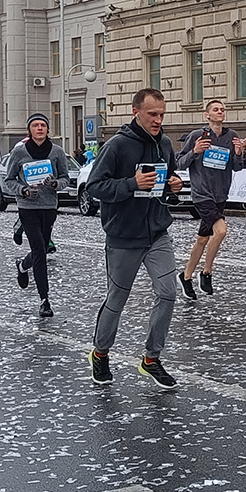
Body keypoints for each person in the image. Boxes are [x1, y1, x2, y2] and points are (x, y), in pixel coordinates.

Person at [82, 88, 186, 389]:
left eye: (162, 114)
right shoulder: (116, 145)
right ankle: (100, 353)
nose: (158, 120)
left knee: (168, 293)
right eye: (152, 114)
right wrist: (131, 183)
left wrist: (174, 185)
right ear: (136, 112)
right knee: (117, 299)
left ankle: (151, 359)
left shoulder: (164, 143)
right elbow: (94, 187)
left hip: (157, 233)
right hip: (124, 236)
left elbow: (166, 182)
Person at [4, 113, 69, 320]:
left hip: (49, 206)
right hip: (28, 207)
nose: (39, 128)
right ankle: (44, 300)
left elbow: (65, 178)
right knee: (40, 249)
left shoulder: (57, 152)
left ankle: (23, 265)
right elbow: (9, 180)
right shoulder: (19, 152)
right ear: (29, 130)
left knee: (41, 249)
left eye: (43, 125)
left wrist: (55, 184)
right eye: (35, 125)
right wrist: (23, 190)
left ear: (48, 129)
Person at [175, 99, 239, 299]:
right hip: (202, 194)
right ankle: (206, 272)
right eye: (216, 109)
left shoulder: (231, 136)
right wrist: (195, 151)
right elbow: (180, 163)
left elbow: (237, 167)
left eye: (222, 109)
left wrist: (238, 153)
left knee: (203, 238)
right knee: (221, 231)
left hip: (221, 193)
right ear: (207, 115)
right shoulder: (197, 135)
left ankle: (186, 276)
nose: (220, 112)